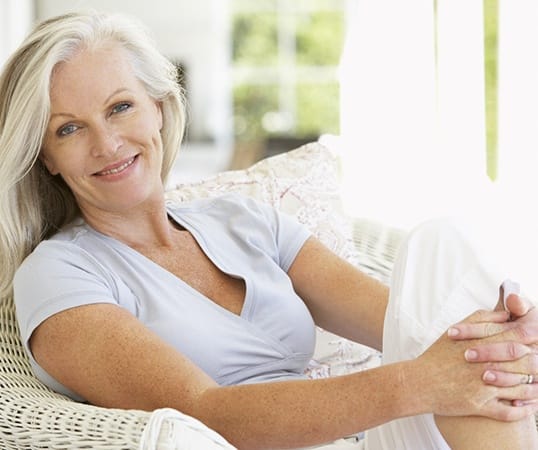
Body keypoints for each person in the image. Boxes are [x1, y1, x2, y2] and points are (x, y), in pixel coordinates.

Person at [0, 11, 537, 450]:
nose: (108, 143)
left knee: (440, 246)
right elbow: (207, 414)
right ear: (45, 155)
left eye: (121, 107)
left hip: (366, 439)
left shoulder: (243, 220)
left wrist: (509, 343)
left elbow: (413, 326)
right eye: (69, 128)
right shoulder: (57, 274)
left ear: (160, 110)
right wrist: (418, 382)